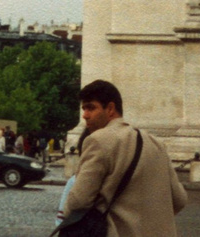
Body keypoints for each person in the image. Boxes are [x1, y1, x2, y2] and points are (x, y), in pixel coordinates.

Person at [61, 79, 187, 237]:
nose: (85, 115)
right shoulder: (156, 143)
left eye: (91, 108)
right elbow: (180, 199)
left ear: (111, 108)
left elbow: (78, 201)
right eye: (84, 108)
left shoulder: (98, 140)